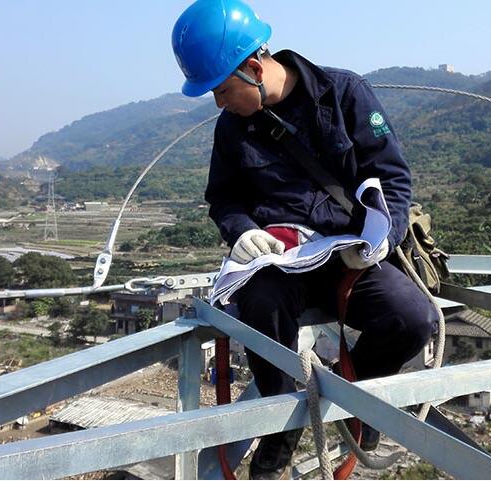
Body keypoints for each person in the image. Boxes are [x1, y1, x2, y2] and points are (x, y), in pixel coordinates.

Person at [172, 0, 438, 478]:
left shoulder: (344, 94)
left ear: (255, 69)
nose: (219, 103)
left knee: (413, 318)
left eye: (223, 89)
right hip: (280, 263)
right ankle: (280, 432)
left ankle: (355, 395)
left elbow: (392, 178)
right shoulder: (232, 128)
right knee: (262, 308)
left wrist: (383, 236)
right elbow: (224, 199)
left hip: (349, 256)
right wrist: (243, 232)